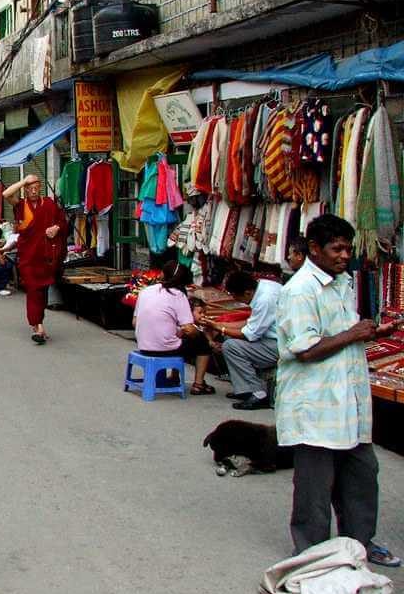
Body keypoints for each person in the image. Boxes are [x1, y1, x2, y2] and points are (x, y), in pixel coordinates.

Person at [275, 213, 401, 565]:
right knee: (315, 485)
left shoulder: (341, 282)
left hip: (347, 401)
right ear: (314, 249)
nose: (345, 255)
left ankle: (360, 541)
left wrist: (373, 333)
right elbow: (306, 348)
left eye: (348, 249)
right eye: (337, 249)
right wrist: (354, 334)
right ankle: (312, 551)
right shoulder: (300, 291)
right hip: (316, 404)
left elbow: (343, 334)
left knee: (362, 474)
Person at [133, 261, 216, 394]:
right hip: (165, 348)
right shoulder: (178, 295)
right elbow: (188, 328)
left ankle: (174, 376)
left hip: (143, 345)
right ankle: (199, 384)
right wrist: (198, 332)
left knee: (178, 336)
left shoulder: (146, 291)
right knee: (202, 343)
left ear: (162, 274)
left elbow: (134, 322)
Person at [2, 174, 66, 344]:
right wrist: (24, 180)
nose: (33, 191)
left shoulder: (50, 204)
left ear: (40, 188)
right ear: (25, 189)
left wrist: (56, 227)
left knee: (42, 293)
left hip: (45, 257)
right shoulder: (21, 205)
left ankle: (39, 322)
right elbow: (6, 194)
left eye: (36, 187)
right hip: (28, 257)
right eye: (30, 188)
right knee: (32, 291)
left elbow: (62, 221)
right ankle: (37, 326)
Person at [207, 270, 282, 410]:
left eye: (237, 297)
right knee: (230, 338)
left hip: (279, 345)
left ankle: (258, 393)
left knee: (230, 346)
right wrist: (217, 325)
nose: (237, 301)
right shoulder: (264, 286)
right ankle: (245, 389)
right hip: (271, 337)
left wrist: (221, 328)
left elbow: (249, 334)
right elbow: (250, 323)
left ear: (247, 292)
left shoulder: (265, 299)